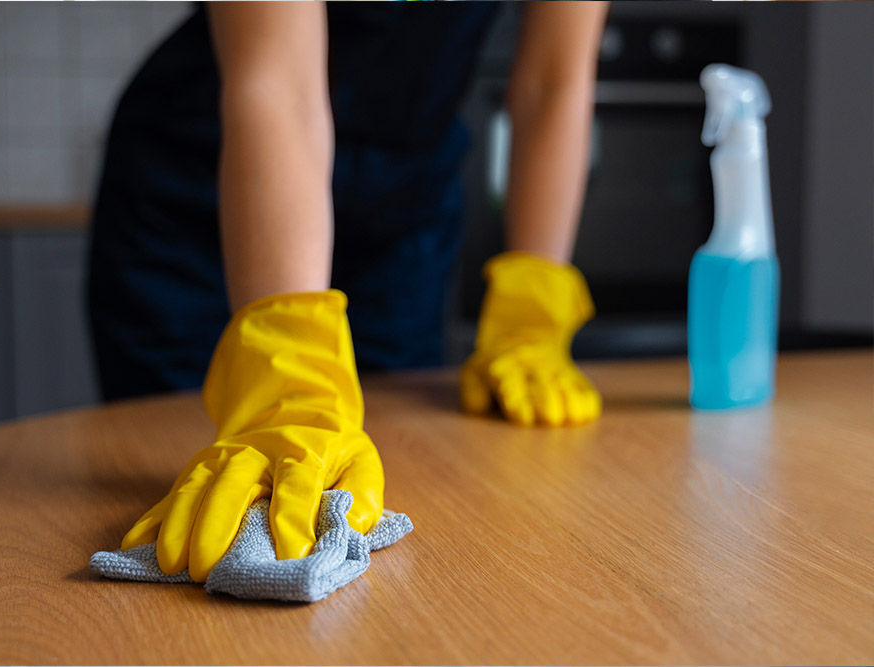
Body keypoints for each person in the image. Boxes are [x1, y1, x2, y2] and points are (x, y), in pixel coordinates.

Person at [87, 2, 608, 583]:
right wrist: (289, 369)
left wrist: (530, 313)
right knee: (186, 468)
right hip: (204, 195)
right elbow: (278, 82)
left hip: (402, 212)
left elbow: (553, 84)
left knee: (396, 468)